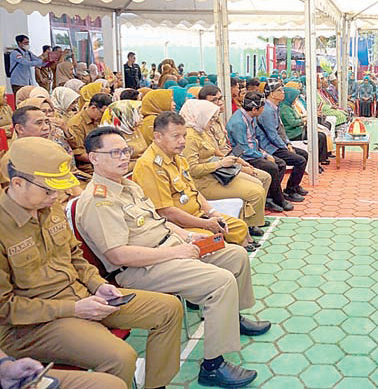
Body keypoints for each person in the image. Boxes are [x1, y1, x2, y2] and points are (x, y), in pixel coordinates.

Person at [78, 127, 269, 388]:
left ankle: (231, 318)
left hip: (170, 247)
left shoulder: (128, 186)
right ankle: (213, 366)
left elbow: (159, 221)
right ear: (93, 158)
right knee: (221, 281)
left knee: (234, 255)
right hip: (141, 268)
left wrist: (187, 237)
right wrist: (176, 252)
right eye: (114, 152)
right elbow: (118, 254)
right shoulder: (98, 201)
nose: (123, 157)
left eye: (125, 151)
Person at [0, 137, 183, 389]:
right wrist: (73, 309)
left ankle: (155, 385)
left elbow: (75, 256)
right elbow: (6, 308)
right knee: (120, 357)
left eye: (59, 190)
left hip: (82, 297)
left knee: (168, 308)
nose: (57, 197)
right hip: (34, 325)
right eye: (49, 190)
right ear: (18, 183)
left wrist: (97, 285)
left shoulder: (48, 207)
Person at [132, 112, 254, 247]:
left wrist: (213, 213)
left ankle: (234, 253)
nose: (182, 141)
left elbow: (193, 192)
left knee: (239, 227)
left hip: (198, 215)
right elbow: (165, 212)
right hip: (177, 226)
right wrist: (205, 224)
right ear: (158, 137)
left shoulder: (178, 158)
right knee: (213, 241)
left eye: (184, 136)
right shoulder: (149, 165)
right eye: (176, 136)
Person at [180, 100, 268, 245]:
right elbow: (193, 170)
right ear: (200, 116)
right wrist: (220, 164)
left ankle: (246, 227)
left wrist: (236, 161)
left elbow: (216, 152)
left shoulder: (201, 131)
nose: (213, 121)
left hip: (216, 175)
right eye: (211, 118)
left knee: (258, 183)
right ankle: (243, 233)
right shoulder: (190, 137)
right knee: (254, 192)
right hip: (203, 183)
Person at [228, 92, 293, 213]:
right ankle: (278, 199)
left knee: (281, 164)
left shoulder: (250, 117)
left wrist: (265, 153)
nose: (264, 110)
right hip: (244, 156)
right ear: (254, 109)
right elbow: (244, 149)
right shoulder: (238, 122)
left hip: (254, 151)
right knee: (272, 166)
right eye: (262, 108)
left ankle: (270, 196)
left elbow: (256, 139)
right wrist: (264, 155)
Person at [256, 81, 308, 202]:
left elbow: (281, 129)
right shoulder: (267, 110)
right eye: (279, 90)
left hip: (277, 143)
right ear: (271, 94)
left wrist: (288, 143)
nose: (283, 93)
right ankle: (286, 192)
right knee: (299, 160)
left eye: (283, 90)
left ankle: (293, 187)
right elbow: (272, 134)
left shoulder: (275, 107)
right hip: (269, 147)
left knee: (303, 154)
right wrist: (285, 146)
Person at [0, 347, 126, 389]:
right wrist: (72, 308)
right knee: (119, 356)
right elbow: (9, 307)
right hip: (36, 323)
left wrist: (5, 366)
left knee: (111, 385)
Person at [280, 87, 330, 167]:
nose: (296, 100)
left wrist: (304, 118)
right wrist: (305, 120)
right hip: (293, 133)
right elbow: (293, 123)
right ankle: (316, 162)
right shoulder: (284, 109)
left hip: (298, 130)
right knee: (319, 136)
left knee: (321, 134)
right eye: (295, 98)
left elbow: (297, 118)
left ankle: (320, 160)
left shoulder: (289, 106)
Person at [66, 92, 112, 174]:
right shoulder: (76, 124)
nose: (103, 116)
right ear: (93, 108)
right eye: (102, 113)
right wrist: (102, 159)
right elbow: (79, 154)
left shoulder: (97, 119)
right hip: (88, 167)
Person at [99, 100, 146, 172]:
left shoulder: (133, 130)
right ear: (125, 116)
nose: (142, 116)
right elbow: (116, 167)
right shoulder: (111, 137)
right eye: (138, 113)